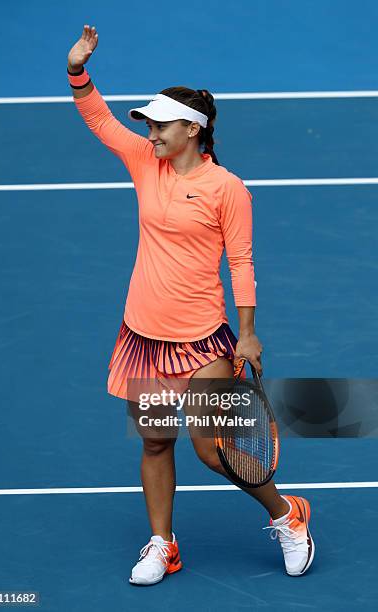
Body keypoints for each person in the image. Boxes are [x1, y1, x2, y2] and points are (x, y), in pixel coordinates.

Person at [67, 25, 315, 585]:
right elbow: (101, 121)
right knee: (156, 441)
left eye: (159, 124)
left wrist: (246, 333)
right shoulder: (143, 162)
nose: (149, 132)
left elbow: (242, 263)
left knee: (213, 452)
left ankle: (288, 514)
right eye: (149, 125)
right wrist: (78, 72)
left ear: (191, 130)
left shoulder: (228, 188)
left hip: (202, 340)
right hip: (142, 339)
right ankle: (163, 543)